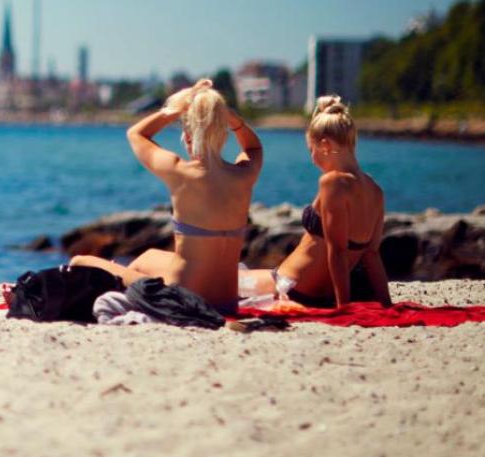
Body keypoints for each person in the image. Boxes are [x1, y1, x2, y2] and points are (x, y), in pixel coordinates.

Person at [69, 79, 263, 313]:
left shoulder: (180, 171)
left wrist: (177, 108)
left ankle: (124, 286)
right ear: (223, 133)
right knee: (148, 256)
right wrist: (231, 118)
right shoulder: (244, 174)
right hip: (227, 302)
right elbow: (254, 148)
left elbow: (136, 134)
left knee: (78, 261)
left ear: (189, 136)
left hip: (183, 299)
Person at [240, 97, 390, 307]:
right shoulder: (375, 190)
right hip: (320, 295)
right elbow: (372, 255)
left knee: (215, 280)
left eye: (312, 149)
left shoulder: (333, 182)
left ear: (326, 145)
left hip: (289, 286)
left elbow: (337, 251)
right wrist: (387, 304)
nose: (312, 158)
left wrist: (343, 308)